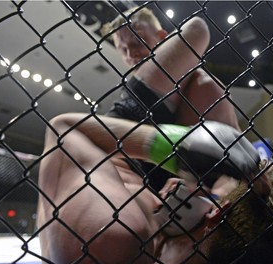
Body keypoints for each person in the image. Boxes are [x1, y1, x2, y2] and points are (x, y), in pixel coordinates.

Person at [37, 113, 273, 264]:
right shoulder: (203, 248)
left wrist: (172, 145)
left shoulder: (118, 232)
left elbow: (63, 127)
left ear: (216, 213)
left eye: (222, 194)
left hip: (114, 147)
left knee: (197, 45)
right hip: (128, 181)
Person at [100, 7, 241, 192]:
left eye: (137, 43)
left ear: (162, 37)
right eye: (123, 49)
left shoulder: (202, 85)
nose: (130, 55)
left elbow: (230, 171)